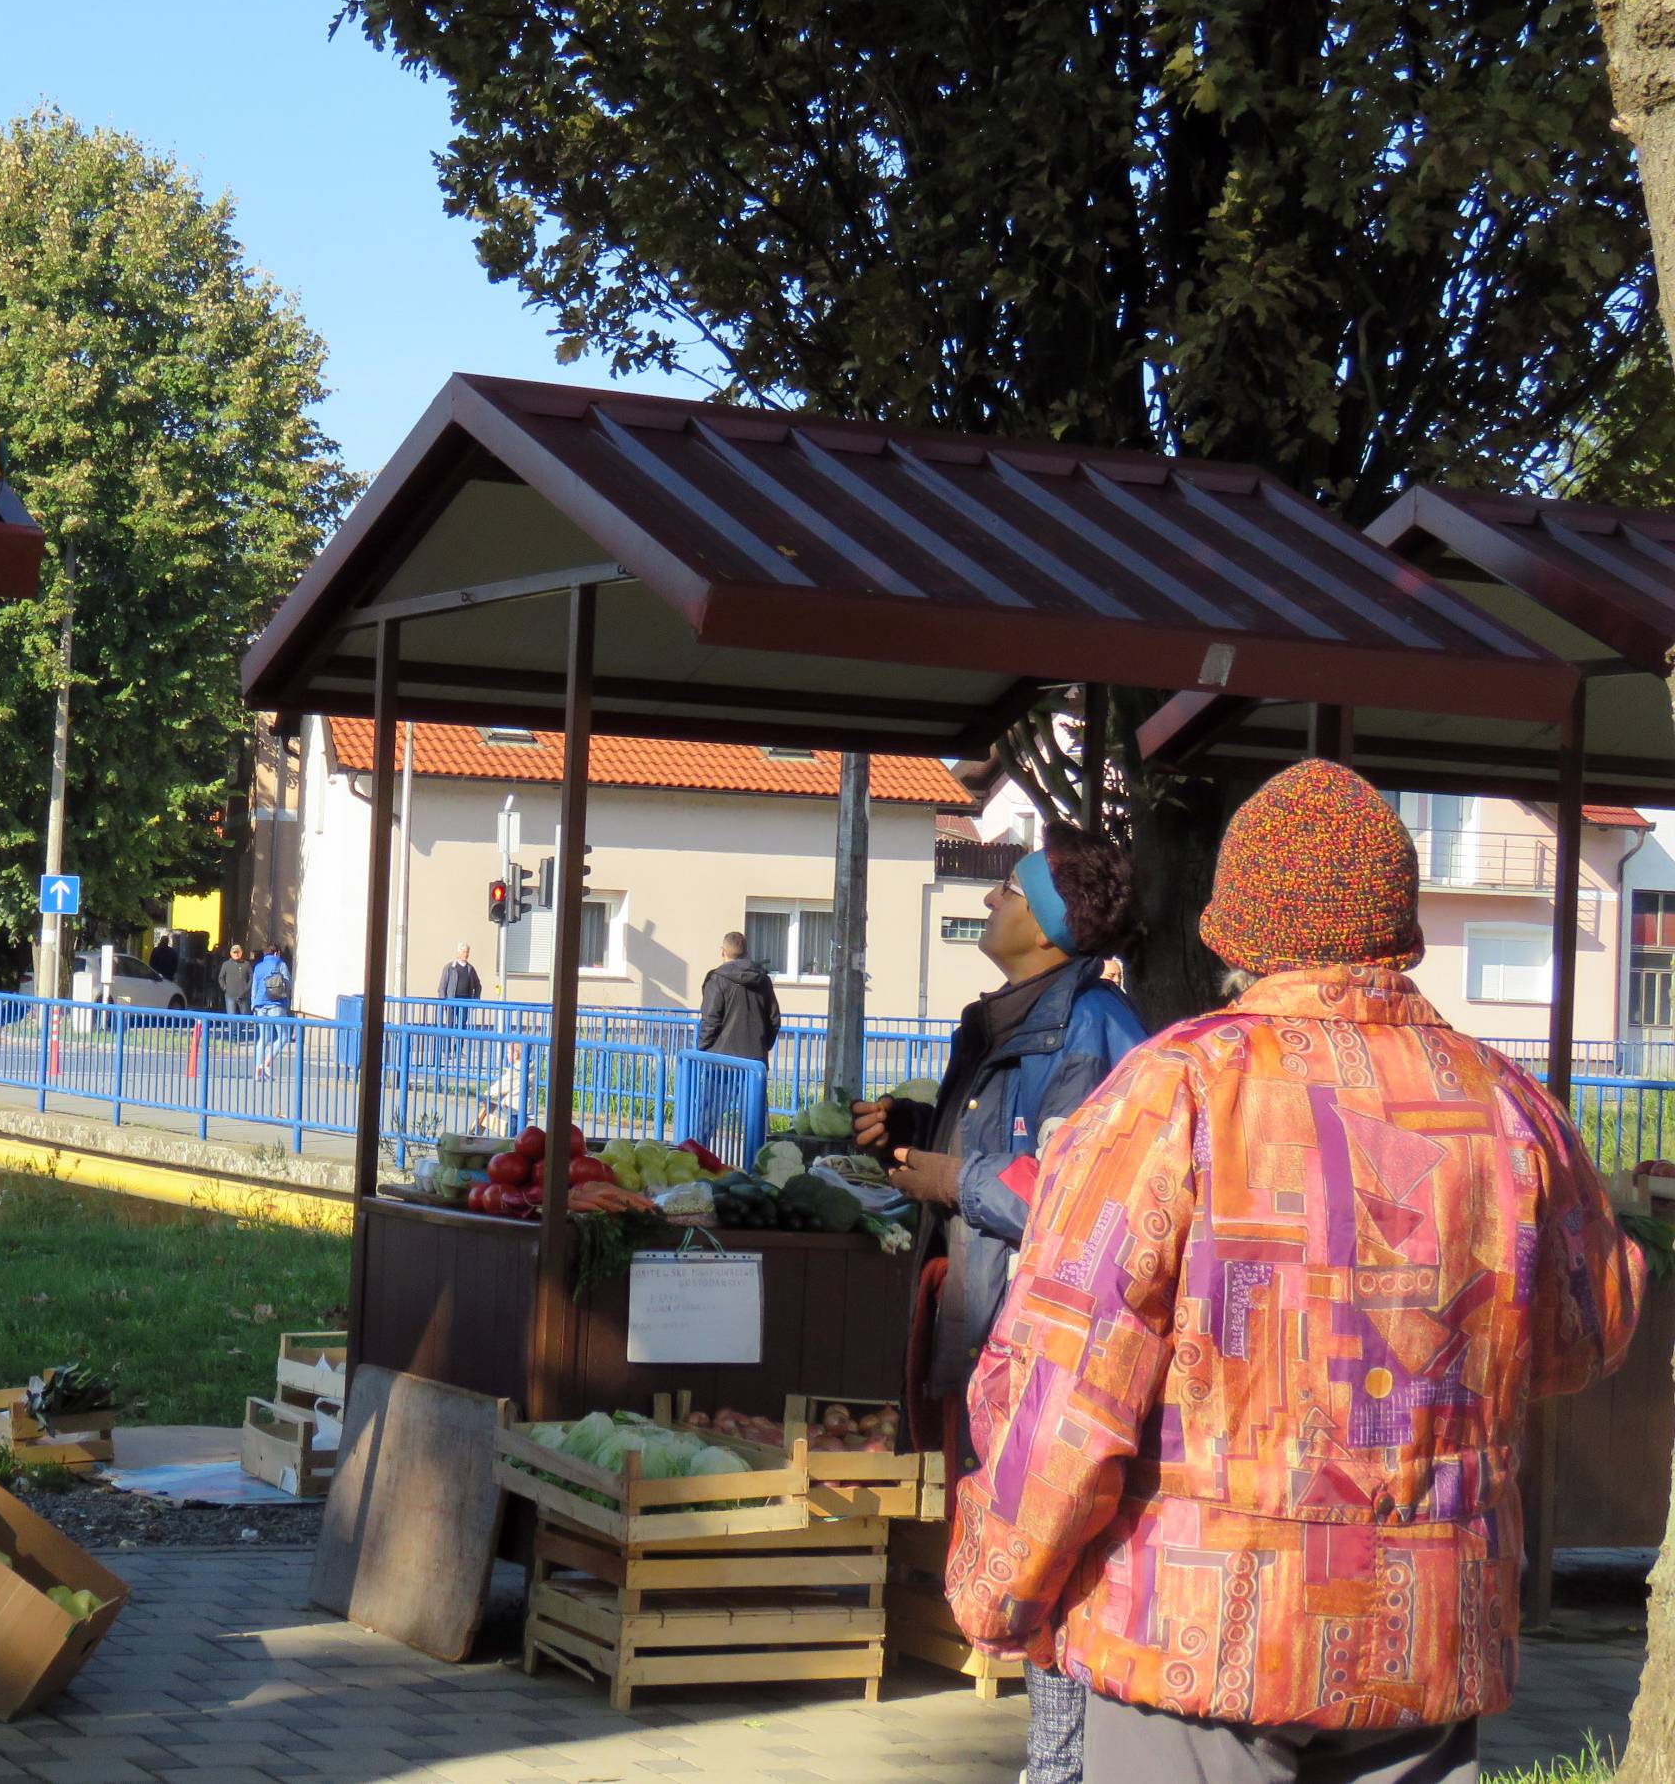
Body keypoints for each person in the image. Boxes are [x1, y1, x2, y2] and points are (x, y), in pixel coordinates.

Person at [949, 761, 1646, 1784]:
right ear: (1394, 919)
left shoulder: (1178, 1092)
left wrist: (998, 1585)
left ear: (1238, 926)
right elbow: (1587, 1330)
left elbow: (1069, 1374)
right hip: (1424, 1636)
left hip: (1196, 1642)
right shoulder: (1509, 1107)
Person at [853, 820, 1144, 1784]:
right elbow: (1004, 1141)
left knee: (1056, 1558)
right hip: (998, 1333)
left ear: (1053, 921)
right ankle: (1055, 1759)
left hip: (1055, 1347)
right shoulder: (1002, 1020)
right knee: (1029, 1558)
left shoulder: (1097, 1033)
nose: (991, 901)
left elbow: (1077, 1197)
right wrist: (914, 1130)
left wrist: (953, 1176)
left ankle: (1060, 1768)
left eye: (1008, 889)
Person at [697, 930, 781, 1063]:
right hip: (755, 1061)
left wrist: (701, 1048)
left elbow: (710, 1020)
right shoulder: (763, 979)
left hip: (721, 1062)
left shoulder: (716, 979)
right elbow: (774, 1020)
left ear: (722, 951)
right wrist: (763, 1046)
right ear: (746, 953)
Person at [251, 942, 292, 1079]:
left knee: (264, 1037)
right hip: (276, 1004)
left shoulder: (258, 966)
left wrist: (254, 1005)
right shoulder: (281, 964)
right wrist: (286, 1001)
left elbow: (254, 987)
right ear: (276, 952)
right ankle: (267, 1062)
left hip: (260, 1005)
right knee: (284, 1036)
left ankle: (258, 1071)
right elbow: (287, 983)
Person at [217, 942, 250, 1017]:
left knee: (245, 1018)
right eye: (234, 952)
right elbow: (221, 977)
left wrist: (247, 989)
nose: (236, 954)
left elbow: (251, 977)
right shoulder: (226, 964)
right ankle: (233, 1029)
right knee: (231, 1019)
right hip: (230, 996)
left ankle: (242, 1028)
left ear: (241, 953)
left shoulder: (246, 964)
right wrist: (225, 988)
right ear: (231, 954)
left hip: (243, 995)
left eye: (238, 952)